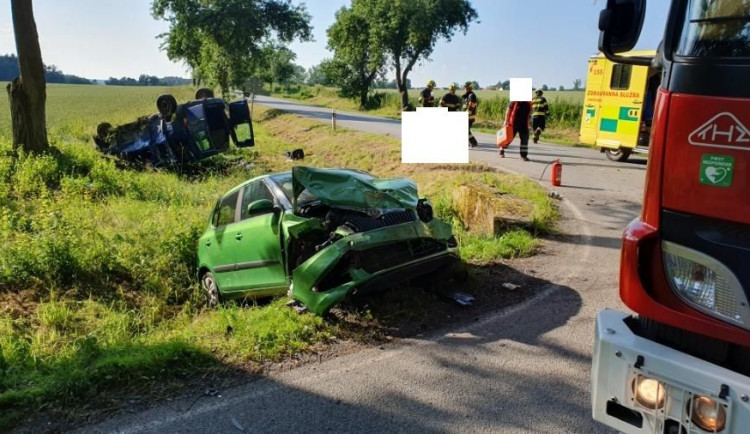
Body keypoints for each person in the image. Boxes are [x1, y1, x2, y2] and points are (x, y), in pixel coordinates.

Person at [462, 81, 479, 148]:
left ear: (470, 88)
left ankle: (474, 142)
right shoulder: (467, 95)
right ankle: (472, 142)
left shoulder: (472, 96)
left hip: (469, 116)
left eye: (466, 88)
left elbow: (471, 106)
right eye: (465, 88)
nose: (465, 89)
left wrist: (466, 114)